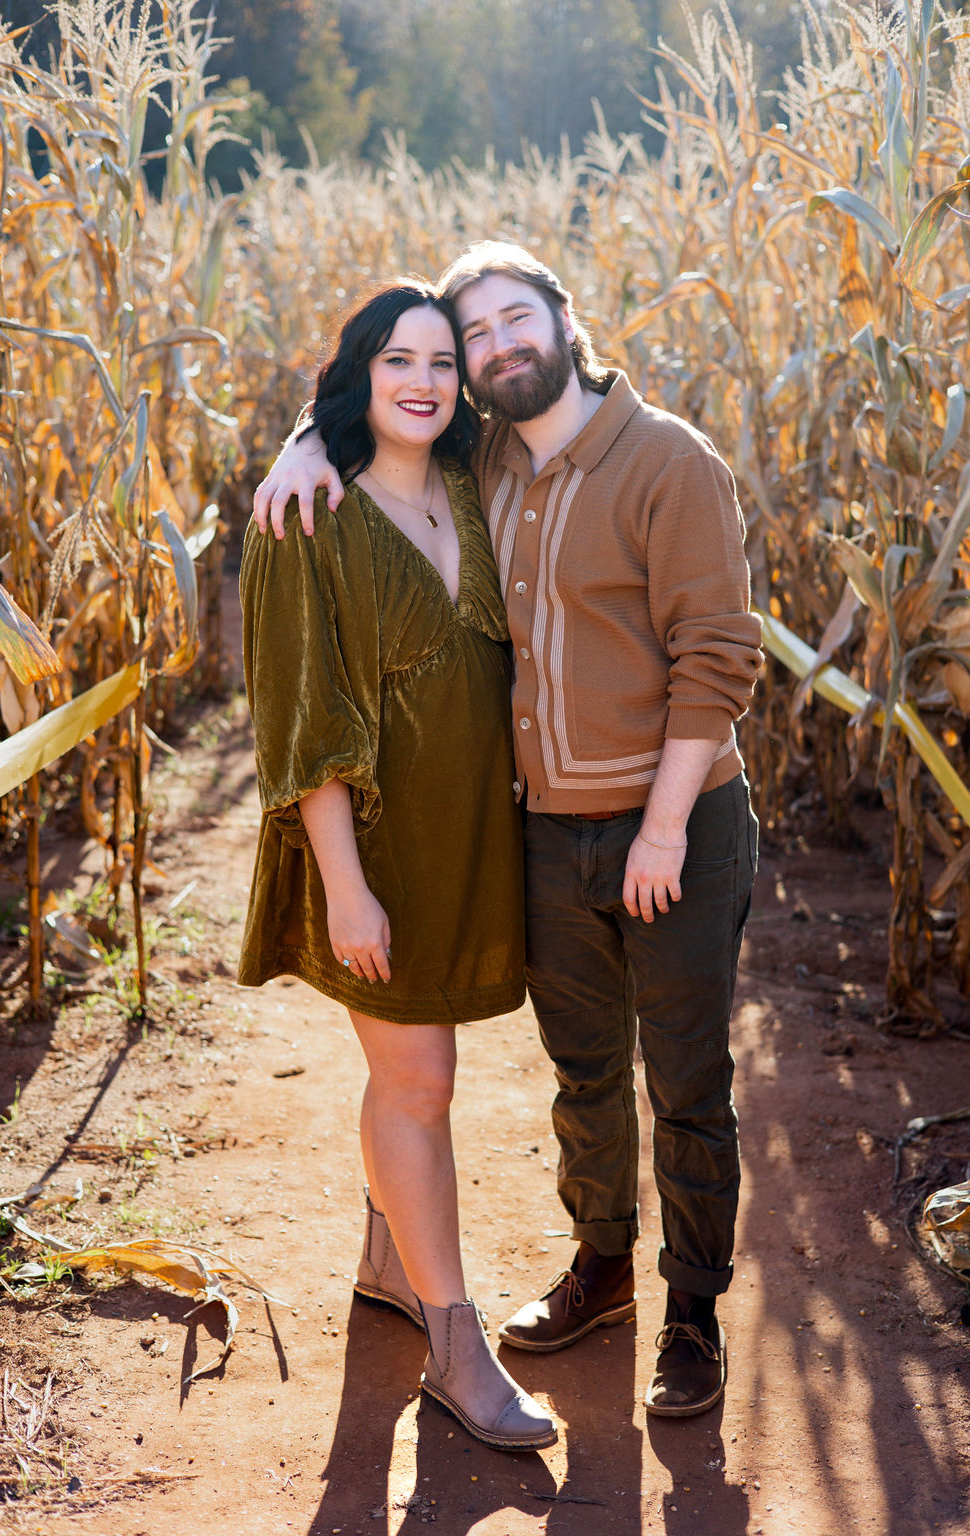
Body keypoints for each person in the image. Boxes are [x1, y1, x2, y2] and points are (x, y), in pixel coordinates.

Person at [253, 243, 762, 1419]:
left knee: (685, 1081)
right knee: (584, 1075)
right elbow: (376, 409)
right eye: (470, 338)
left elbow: (720, 655)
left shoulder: (664, 460)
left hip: (670, 827)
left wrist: (666, 828)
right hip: (545, 836)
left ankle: (689, 1317)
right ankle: (601, 1271)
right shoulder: (488, 462)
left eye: (503, 323)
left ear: (562, 320)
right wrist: (301, 440)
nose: (487, 350)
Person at [239, 278, 556, 1452]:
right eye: (396, 363)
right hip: (368, 848)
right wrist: (345, 883)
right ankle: (456, 1346)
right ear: (359, 375)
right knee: (419, 1085)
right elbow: (299, 716)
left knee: (423, 1077)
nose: (422, 382)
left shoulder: (477, 480)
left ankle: (387, 1257)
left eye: (440, 362)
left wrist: (297, 435)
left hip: (471, 835)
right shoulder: (308, 515)